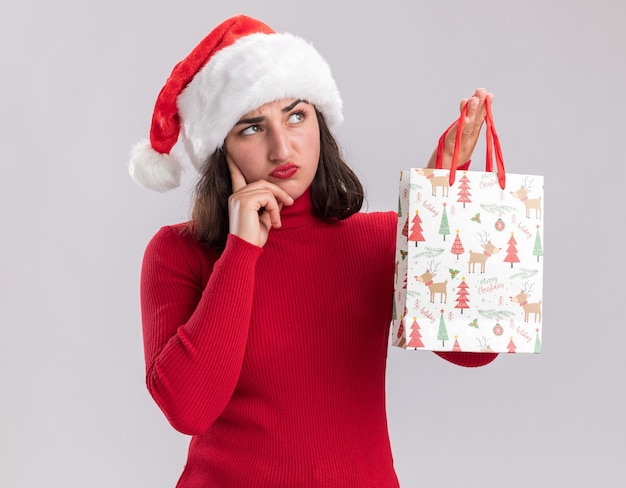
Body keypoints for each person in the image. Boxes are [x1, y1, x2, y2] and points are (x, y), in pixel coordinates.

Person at [129, 14, 497, 488]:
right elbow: (188, 409)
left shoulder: (376, 240)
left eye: (296, 116)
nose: (282, 148)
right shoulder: (178, 253)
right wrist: (240, 251)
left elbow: (477, 352)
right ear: (221, 151)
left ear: (320, 122)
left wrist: (436, 211)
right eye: (251, 128)